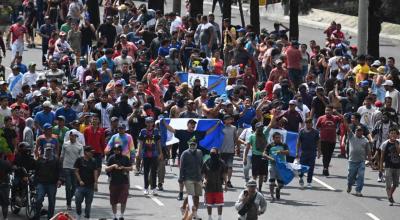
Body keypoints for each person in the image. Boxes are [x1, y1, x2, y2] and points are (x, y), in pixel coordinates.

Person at [162, 118, 219, 200]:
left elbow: (208, 132)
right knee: (182, 176)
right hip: (183, 158)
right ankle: (181, 193)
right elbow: (172, 129)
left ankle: (194, 193)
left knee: (197, 175)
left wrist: (216, 125)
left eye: (194, 124)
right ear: (187, 124)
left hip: (196, 158)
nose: (193, 125)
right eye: (191, 124)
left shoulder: (197, 133)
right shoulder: (182, 133)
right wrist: (164, 123)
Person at [343, 118, 371, 197]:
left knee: (361, 176)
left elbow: (368, 151)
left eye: (361, 130)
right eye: (358, 130)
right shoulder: (352, 136)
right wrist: (343, 118)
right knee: (351, 177)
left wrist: (370, 160)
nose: (359, 132)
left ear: (362, 132)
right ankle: (349, 185)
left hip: (361, 161)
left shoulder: (365, 140)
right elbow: (347, 127)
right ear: (355, 131)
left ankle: (358, 190)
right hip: (352, 161)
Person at [33, 147, 63, 220]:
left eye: (50, 150)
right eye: (47, 150)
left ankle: (50, 217)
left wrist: (60, 179)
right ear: (45, 150)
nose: (48, 152)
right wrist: (35, 181)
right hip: (41, 183)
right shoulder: (40, 159)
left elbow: (60, 171)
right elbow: (36, 170)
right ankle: (37, 215)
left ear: (52, 151)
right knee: (39, 199)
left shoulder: (56, 160)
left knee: (51, 201)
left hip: (52, 183)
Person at [105, 144, 133, 220]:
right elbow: (106, 169)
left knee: (123, 200)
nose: (116, 151)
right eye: (115, 149)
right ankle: (114, 216)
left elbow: (131, 168)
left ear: (121, 150)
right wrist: (113, 166)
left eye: (118, 149)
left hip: (124, 182)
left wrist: (124, 168)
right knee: (113, 201)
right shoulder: (111, 158)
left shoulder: (125, 158)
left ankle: (122, 215)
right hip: (113, 181)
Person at [137, 116, 163, 195]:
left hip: (154, 154)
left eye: (151, 122)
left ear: (153, 123)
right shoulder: (143, 131)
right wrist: (139, 153)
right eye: (147, 122)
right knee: (146, 171)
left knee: (154, 171)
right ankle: (145, 188)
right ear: (145, 123)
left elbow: (158, 143)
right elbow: (140, 143)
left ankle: (154, 188)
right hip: (145, 154)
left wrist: (160, 153)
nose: (149, 124)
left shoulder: (156, 131)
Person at [179, 138, 203, 219]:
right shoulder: (185, 153)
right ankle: (184, 208)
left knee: (197, 196)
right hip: (188, 177)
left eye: (194, 145)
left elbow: (201, 165)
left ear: (196, 145)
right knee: (190, 195)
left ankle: (195, 213)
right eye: (191, 145)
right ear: (189, 145)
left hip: (198, 177)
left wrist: (202, 177)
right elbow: (181, 167)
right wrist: (180, 178)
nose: (192, 146)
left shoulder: (200, 152)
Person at [316, 105, 343, 176]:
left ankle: (326, 167)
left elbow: (343, 119)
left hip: (332, 140)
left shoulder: (335, 118)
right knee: (325, 154)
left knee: (329, 155)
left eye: (329, 110)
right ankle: (325, 168)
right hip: (323, 139)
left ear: (332, 111)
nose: (327, 112)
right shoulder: (321, 118)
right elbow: (317, 127)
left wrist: (337, 113)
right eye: (326, 110)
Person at [61, 130, 84, 210]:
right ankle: (68, 203)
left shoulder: (80, 146)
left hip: (75, 169)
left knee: (74, 186)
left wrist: (80, 170)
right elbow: (62, 156)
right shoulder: (65, 144)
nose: (72, 137)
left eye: (74, 136)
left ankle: (69, 199)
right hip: (66, 167)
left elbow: (81, 159)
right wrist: (61, 169)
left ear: (76, 137)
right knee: (68, 186)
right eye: (71, 135)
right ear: (69, 136)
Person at [202, 147, 227, 220]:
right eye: (211, 153)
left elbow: (224, 174)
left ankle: (219, 217)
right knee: (208, 203)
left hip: (218, 186)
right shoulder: (206, 162)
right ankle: (209, 217)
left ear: (217, 153)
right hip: (208, 186)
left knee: (220, 203)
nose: (212, 154)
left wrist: (225, 184)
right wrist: (204, 180)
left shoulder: (221, 163)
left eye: (213, 153)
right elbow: (203, 173)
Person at [74, 146, 98, 219]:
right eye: (90, 152)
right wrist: (80, 180)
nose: (92, 153)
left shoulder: (93, 161)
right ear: (86, 152)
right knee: (78, 201)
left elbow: (95, 172)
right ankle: (78, 214)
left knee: (88, 203)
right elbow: (76, 171)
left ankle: (87, 216)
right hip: (80, 186)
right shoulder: (79, 160)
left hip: (90, 186)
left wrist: (96, 183)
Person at [296, 118, 321, 188]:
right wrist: (297, 152)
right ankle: (301, 177)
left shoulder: (316, 132)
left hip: (312, 152)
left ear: (312, 124)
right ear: (305, 124)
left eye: (310, 123)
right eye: (307, 123)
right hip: (303, 152)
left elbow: (319, 142)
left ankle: (309, 182)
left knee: (311, 168)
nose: (308, 125)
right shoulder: (301, 131)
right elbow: (298, 142)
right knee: (301, 167)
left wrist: (319, 152)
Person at [244, 122, 268, 192]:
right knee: (254, 175)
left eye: (262, 127)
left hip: (264, 157)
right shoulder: (252, 136)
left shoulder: (265, 135)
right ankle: (252, 188)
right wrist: (245, 158)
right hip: (255, 157)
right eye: (260, 127)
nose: (261, 129)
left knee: (261, 174)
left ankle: (260, 189)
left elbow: (270, 125)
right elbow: (247, 147)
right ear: (256, 128)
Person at [379, 127, 400, 206]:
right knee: (388, 184)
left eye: (395, 133)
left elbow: (399, 153)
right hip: (388, 166)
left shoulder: (398, 142)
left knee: (395, 184)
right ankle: (389, 198)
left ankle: (390, 195)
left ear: (397, 135)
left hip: (397, 166)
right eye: (391, 133)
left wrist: (397, 145)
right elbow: (382, 156)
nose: (393, 135)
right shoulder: (385, 143)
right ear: (389, 134)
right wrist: (381, 167)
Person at [220, 115, 237, 188]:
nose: (229, 121)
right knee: (222, 167)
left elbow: (235, 138)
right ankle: (221, 180)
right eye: (227, 119)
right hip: (221, 150)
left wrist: (236, 147)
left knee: (230, 167)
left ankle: (228, 181)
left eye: (230, 119)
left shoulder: (234, 128)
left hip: (230, 150)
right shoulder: (221, 127)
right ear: (224, 120)